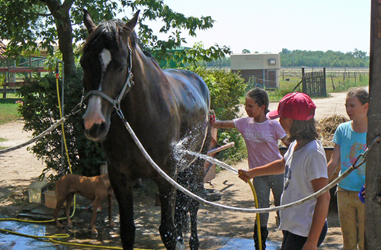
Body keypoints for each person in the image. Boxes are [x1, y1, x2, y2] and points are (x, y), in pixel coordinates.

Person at [238, 92, 330, 250]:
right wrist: (252, 172)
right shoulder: (296, 145)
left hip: (305, 230)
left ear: (291, 121)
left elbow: (324, 198)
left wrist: (312, 242)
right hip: (294, 225)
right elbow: (282, 164)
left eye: (280, 118)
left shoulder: (312, 153)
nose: (278, 122)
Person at [213, 88, 288, 250]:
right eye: (245, 105)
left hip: (277, 174)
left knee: (282, 208)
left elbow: (291, 145)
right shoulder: (244, 123)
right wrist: (210, 121)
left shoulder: (274, 125)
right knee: (261, 212)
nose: (246, 109)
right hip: (258, 175)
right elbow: (221, 124)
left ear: (262, 107)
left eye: (250, 106)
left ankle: (288, 243)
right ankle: (259, 245)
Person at [327, 87, 368, 250]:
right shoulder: (342, 130)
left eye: (352, 105)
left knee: (366, 242)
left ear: (366, 107)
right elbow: (334, 160)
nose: (348, 110)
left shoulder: (375, 132)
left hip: (367, 195)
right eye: (346, 106)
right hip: (344, 192)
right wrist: (321, 184)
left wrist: (372, 184)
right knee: (349, 242)